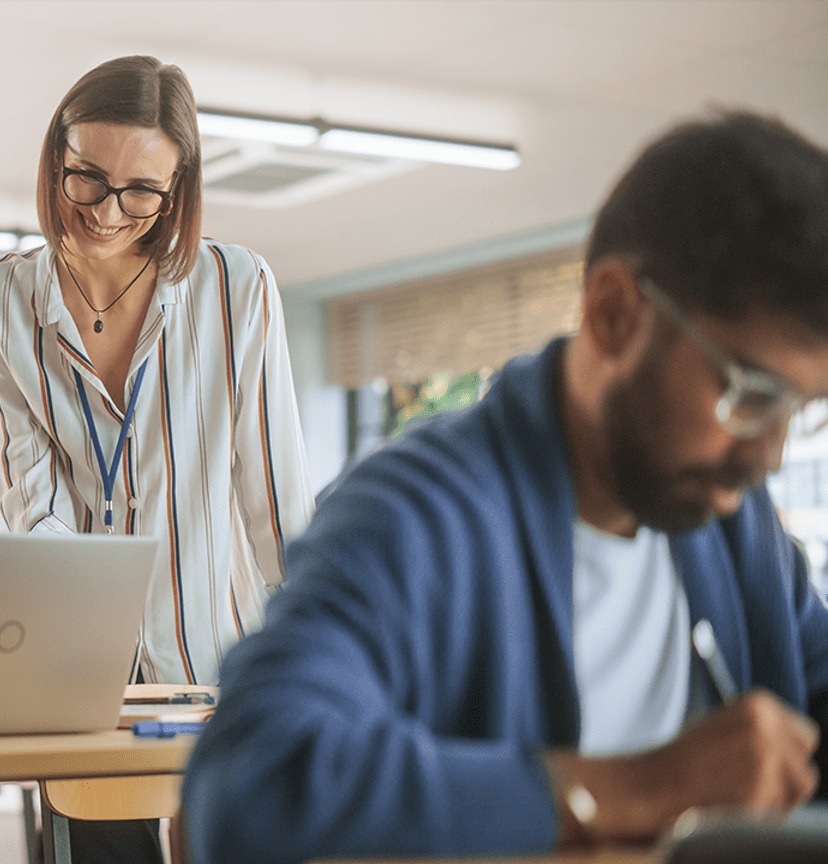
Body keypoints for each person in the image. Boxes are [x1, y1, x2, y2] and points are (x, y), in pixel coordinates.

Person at [182, 110, 828, 862]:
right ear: (615, 314)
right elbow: (244, 790)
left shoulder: (728, 523)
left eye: (797, 410)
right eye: (749, 393)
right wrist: (639, 786)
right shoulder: (413, 514)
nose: (769, 455)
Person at [0, 55, 313, 689]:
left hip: (217, 677)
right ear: (54, 162)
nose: (107, 211)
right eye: (86, 178)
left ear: (178, 188)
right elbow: (31, 499)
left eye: (142, 190)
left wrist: (319, 660)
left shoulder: (235, 288)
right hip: (75, 677)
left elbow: (277, 503)